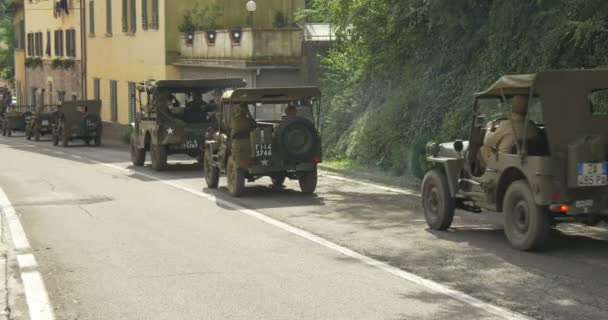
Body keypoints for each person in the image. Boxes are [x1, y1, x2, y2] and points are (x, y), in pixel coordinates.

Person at [479, 95, 542, 169]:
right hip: (528, 163)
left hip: (504, 163)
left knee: (482, 149)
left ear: (512, 108)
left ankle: (484, 176)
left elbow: (487, 142)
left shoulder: (506, 124)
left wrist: (489, 128)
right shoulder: (532, 125)